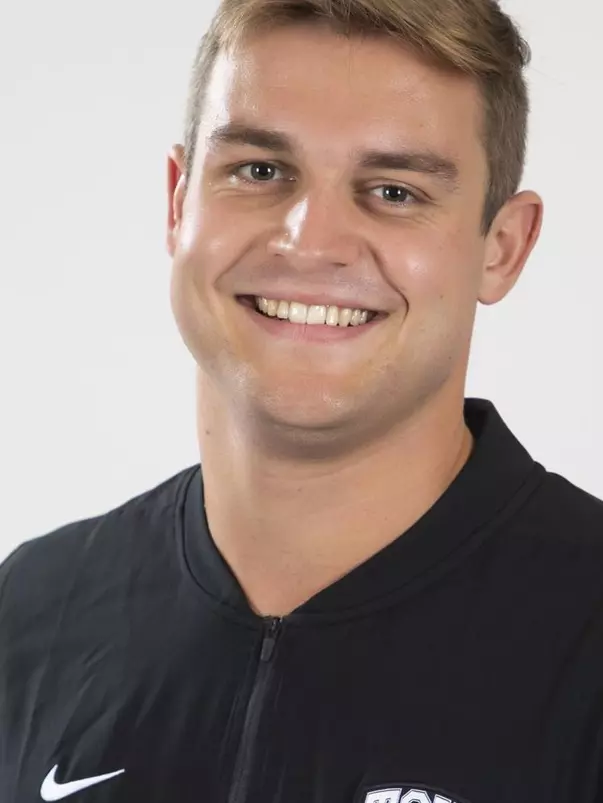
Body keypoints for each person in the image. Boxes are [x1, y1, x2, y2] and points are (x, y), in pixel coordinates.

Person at [2, 0, 603, 801]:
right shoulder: (30, 612)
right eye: (259, 170)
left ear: (502, 247)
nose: (309, 240)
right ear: (179, 201)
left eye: (392, 190)